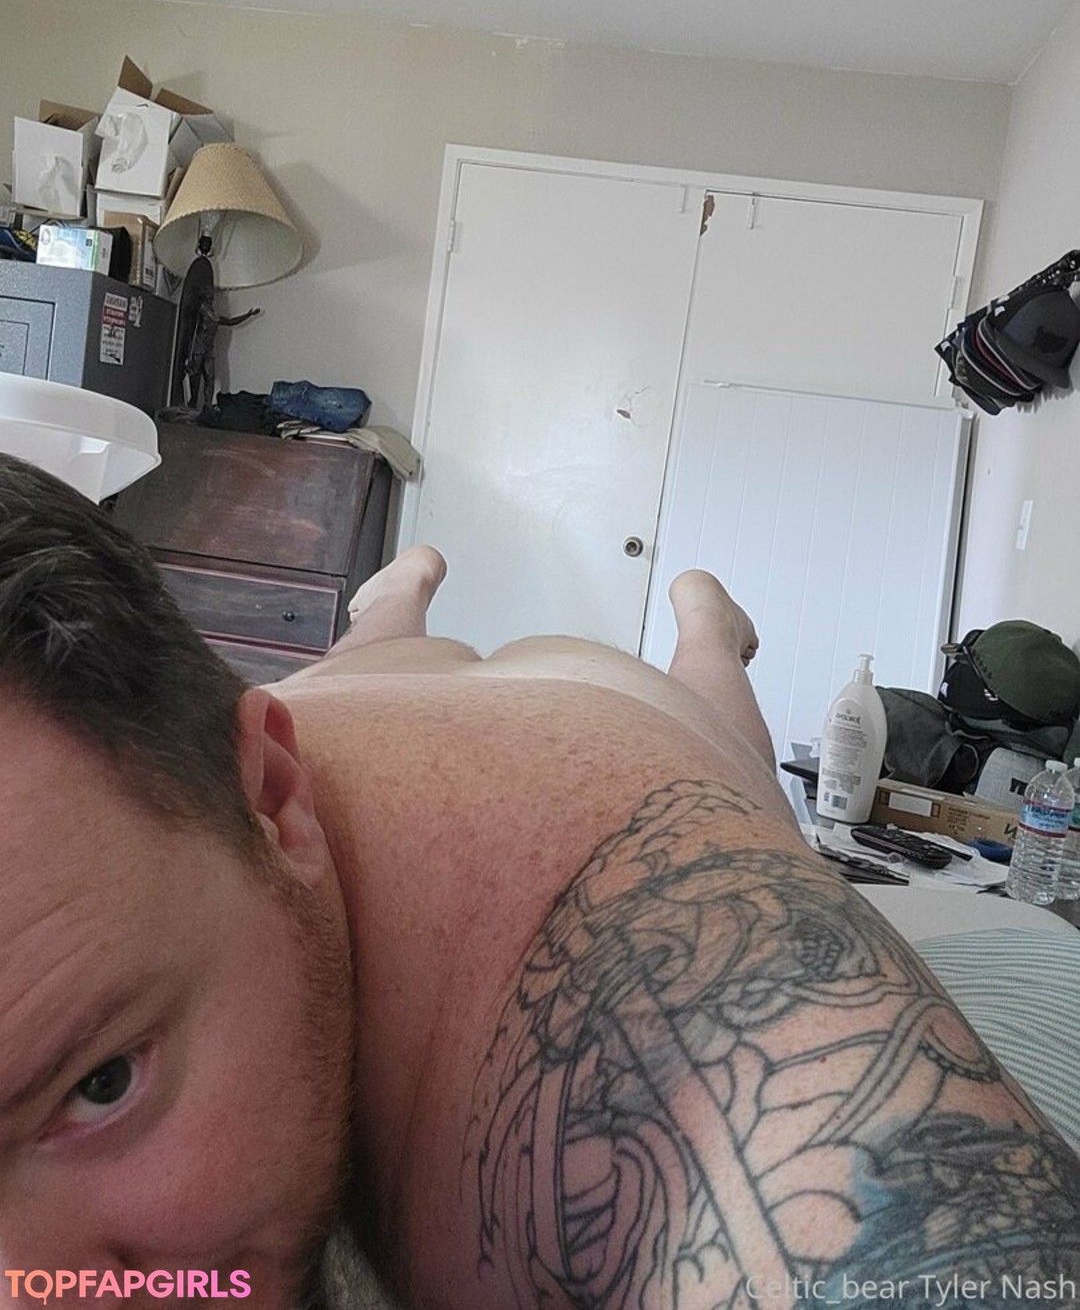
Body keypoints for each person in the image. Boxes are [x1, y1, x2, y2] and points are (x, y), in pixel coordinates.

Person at [0, 452, 1076, 1310]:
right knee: (364, 658)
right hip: (342, 706)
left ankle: (707, 621)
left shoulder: (656, 969)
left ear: (276, 800)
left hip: (609, 721)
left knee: (716, 721)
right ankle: (400, 592)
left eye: (102, 1082)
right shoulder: (168, 805)